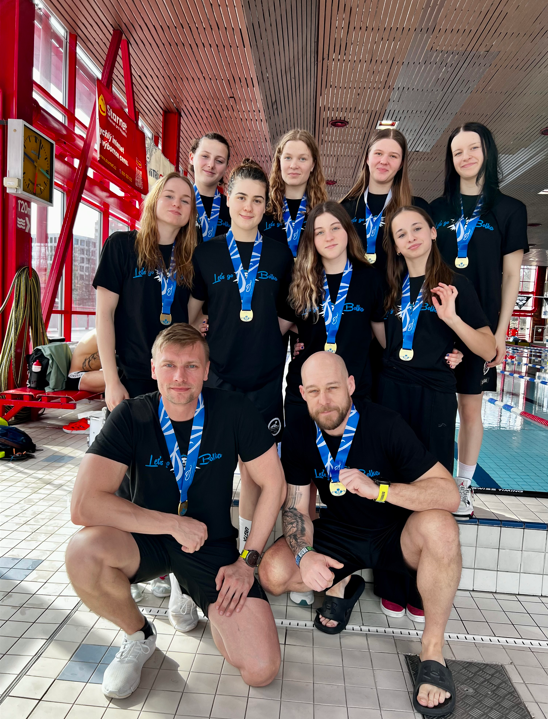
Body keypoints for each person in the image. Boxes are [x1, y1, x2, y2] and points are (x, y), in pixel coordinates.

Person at [65, 323, 285, 700]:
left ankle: (191, 589)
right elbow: (83, 504)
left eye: (191, 366)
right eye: (169, 365)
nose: (180, 377)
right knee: (82, 551)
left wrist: (247, 562)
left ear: (207, 369)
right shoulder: (131, 415)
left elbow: (273, 485)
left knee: (260, 669)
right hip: (144, 539)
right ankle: (139, 635)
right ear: (154, 369)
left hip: (209, 543)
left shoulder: (234, 410)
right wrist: (171, 524)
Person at [259, 351, 462, 717]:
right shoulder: (299, 433)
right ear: (302, 394)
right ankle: (343, 582)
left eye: (333, 388)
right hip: (341, 534)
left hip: (396, 534)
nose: (324, 400)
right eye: (314, 391)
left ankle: (432, 651)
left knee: (442, 527)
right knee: (272, 573)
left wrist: (380, 490)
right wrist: (305, 555)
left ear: (350, 385)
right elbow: (296, 507)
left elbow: (449, 495)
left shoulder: (385, 424)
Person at [188, 159, 294, 552]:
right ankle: (206, 550)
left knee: (254, 474)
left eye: (258, 200)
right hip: (217, 379)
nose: (249, 206)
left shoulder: (280, 255)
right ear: (228, 199)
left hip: (264, 382)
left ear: (266, 206)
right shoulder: (207, 253)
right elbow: (192, 313)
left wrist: (264, 333)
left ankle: (249, 552)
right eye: (242, 197)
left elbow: (288, 311)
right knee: (212, 469)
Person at [430, 123, 528, 515]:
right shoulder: (437, 209)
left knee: (470, 408)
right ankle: (430, 480)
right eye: (458, 151)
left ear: (488, 151)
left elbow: (512, 277)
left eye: (473, 148)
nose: (466, 157)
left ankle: (464, 486)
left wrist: (501, 333)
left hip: (479, 325)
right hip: (436, 321)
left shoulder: (510, 209)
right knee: (435, 406)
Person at [94, 172, 198, 408]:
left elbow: (194, 312)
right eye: (169, 196)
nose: (177, 203)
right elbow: (104, 315)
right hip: (131, 377)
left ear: (191, 213)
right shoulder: (121, 246)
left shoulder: (192, 258)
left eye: (185, 200)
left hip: (176, 378)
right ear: (153, 201)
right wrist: (111, 381)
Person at [282, 201, 384, 425]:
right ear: (312, 239)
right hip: (306, 393)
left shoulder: (370, 279)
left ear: (348, 230)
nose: (329, 237)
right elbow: (276, 328)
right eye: (320, 232)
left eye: (335, 228)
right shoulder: (300, 280)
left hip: (353, 390)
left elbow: (384, 338)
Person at [340, 128, 430, 277]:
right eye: (378, 153)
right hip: (352, 291)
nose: (384, 161)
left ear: (401, 164)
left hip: (400, 291)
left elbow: (431, 260)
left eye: (393, 156)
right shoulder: (343, 209)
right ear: (367, 158)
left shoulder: (417, 208)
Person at [260, 129, 328, 256]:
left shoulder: (324, 212)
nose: (293, 165)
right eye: (288, 158)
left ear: (313, 165)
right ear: (279, 161)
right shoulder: (262, 207)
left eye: (302, 159)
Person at [189, 132, 231, 241]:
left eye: (219, 161)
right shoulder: (178, 202)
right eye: (205, 156)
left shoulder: (232, 208)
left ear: (226, 168)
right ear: (192, 158)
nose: (211, 165)